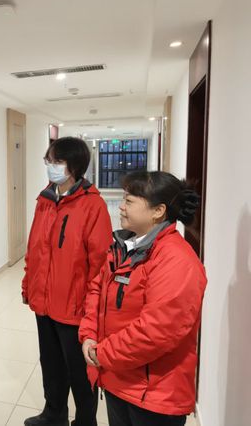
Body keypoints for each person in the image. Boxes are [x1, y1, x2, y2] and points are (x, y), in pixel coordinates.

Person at [79, 171, 207, 426]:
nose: (121, 206)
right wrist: (89, 335)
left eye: (129, 200)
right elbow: (96, 290)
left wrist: (102, 353)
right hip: (117, 378)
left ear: (158, 211)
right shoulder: (124, 247)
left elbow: (155, 331)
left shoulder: (177, 260)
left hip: (153, 395)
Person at [22, 137, 113, 426]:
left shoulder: (92, 205)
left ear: (74, 165)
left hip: (75, 308)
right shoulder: (45, 200)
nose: (50, 166)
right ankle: (54, 414)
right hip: (43, 301)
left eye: (57, 161)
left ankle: (85, 421)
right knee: (50, 363)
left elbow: (100, 264)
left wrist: (92, 309)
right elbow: (34, 248)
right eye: (48, 160)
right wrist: (28, 285)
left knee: (79, 371)